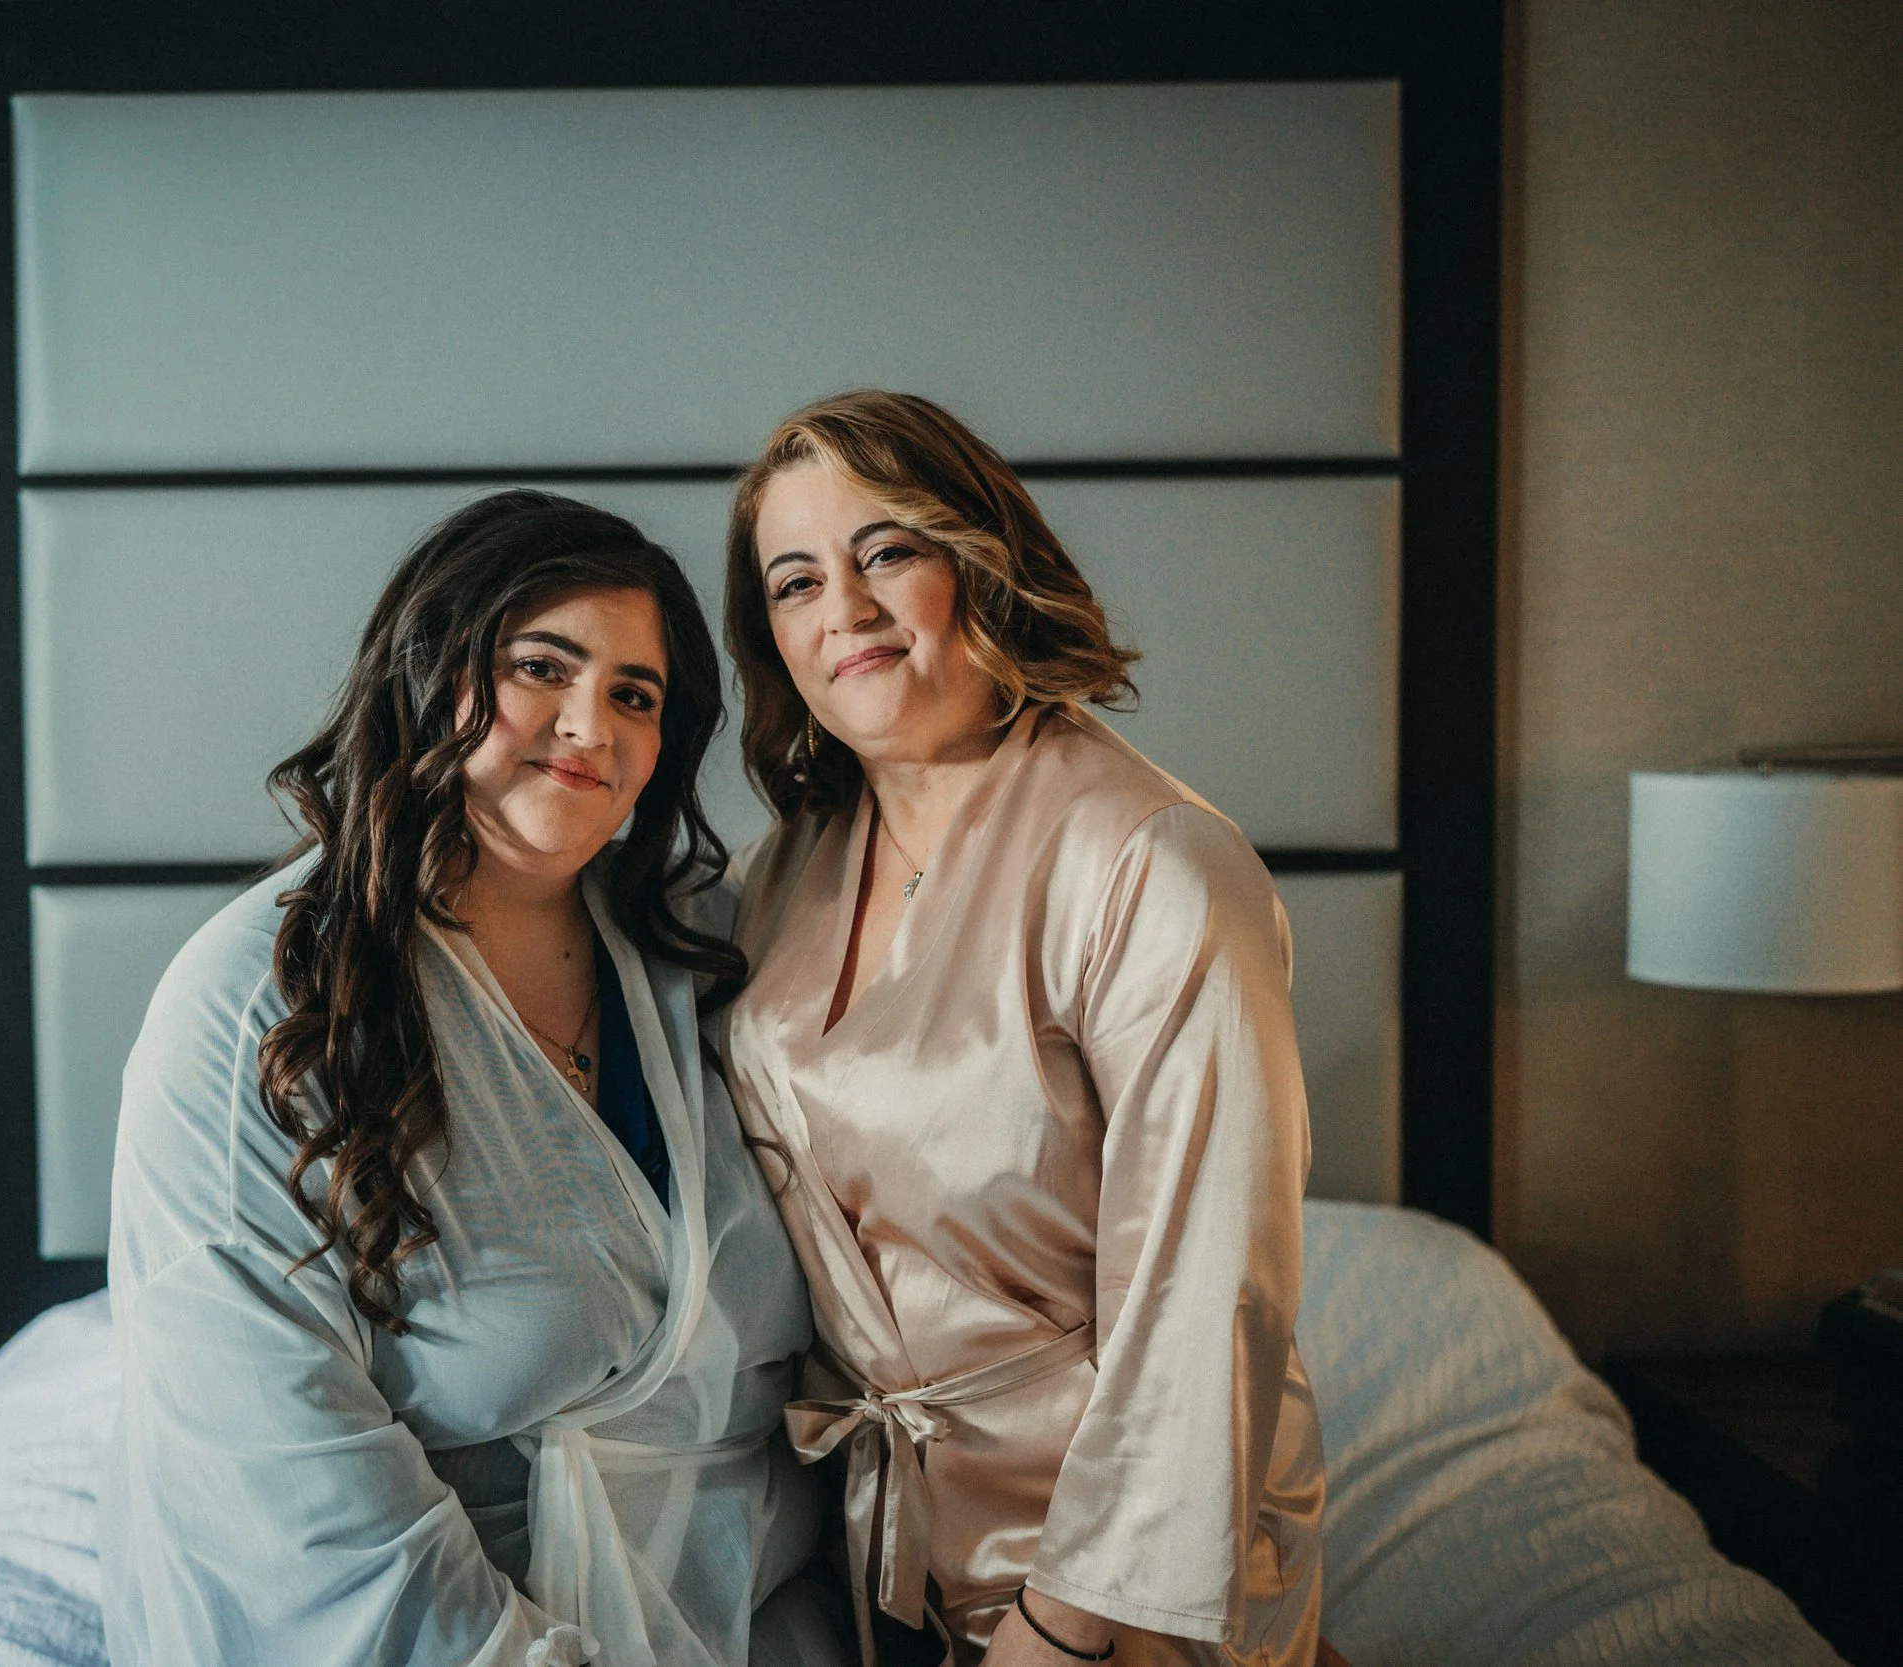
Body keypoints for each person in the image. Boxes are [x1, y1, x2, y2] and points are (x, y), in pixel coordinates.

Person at [100, 491, 840, 1667]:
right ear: (426, 671)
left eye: (635, 695)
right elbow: (285, 1488)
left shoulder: (702, 950)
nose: (589, 726)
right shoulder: (257, 1008)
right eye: (540, 667)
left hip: (773, 1618)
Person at [719, 394, 1328, 1667]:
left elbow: (1204, 1288)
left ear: (980, 559)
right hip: (875, 1539)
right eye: (796, 581)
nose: (844, 609)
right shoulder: (785, 869)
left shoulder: (1150, 862)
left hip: (1116, 1560)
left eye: (887, 551)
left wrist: (1068, 1620)